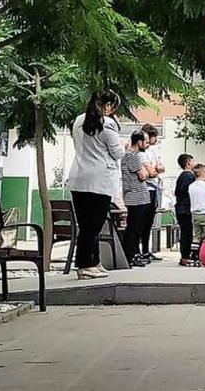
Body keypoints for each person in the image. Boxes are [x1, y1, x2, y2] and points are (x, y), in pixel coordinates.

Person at [68, 91, 124, 280]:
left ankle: (94, 261)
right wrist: (122, 143)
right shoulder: (107, 124)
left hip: (78, 177)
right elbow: (117, 153)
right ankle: (84, 264)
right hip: (99, 179)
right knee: (93, 225)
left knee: (86, 223)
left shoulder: (77, 120)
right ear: (107, 106)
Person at [121, 131, 153, 267]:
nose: (147, 144)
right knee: (134, 227)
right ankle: (131, 254)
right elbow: (143, 175)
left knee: (136, 227)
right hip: (136, 197)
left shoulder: (130, 156)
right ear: (139, 142)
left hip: (137, 196)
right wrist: (145, 172)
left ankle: (134, 253)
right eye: (145, 141)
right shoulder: (132, 156)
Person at [139, 124, 164, 261]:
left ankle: (146, 250)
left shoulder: (154, 151)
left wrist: (156, 170)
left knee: (149, 222)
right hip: (146, 188)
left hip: (154, 187)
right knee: (143, 221)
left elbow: (160, 167)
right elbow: (151, 172)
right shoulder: (141, 153)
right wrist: (155, 170)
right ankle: (141, 250)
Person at [174, 154, 196, 266]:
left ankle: (185, 255)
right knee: (187, 234)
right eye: (192, 161)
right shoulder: (189, 176)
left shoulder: (182, 176)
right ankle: (185, 256)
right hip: (185, 209)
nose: (194, 163)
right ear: (188, 163)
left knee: (185, 233)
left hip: (180, 208)